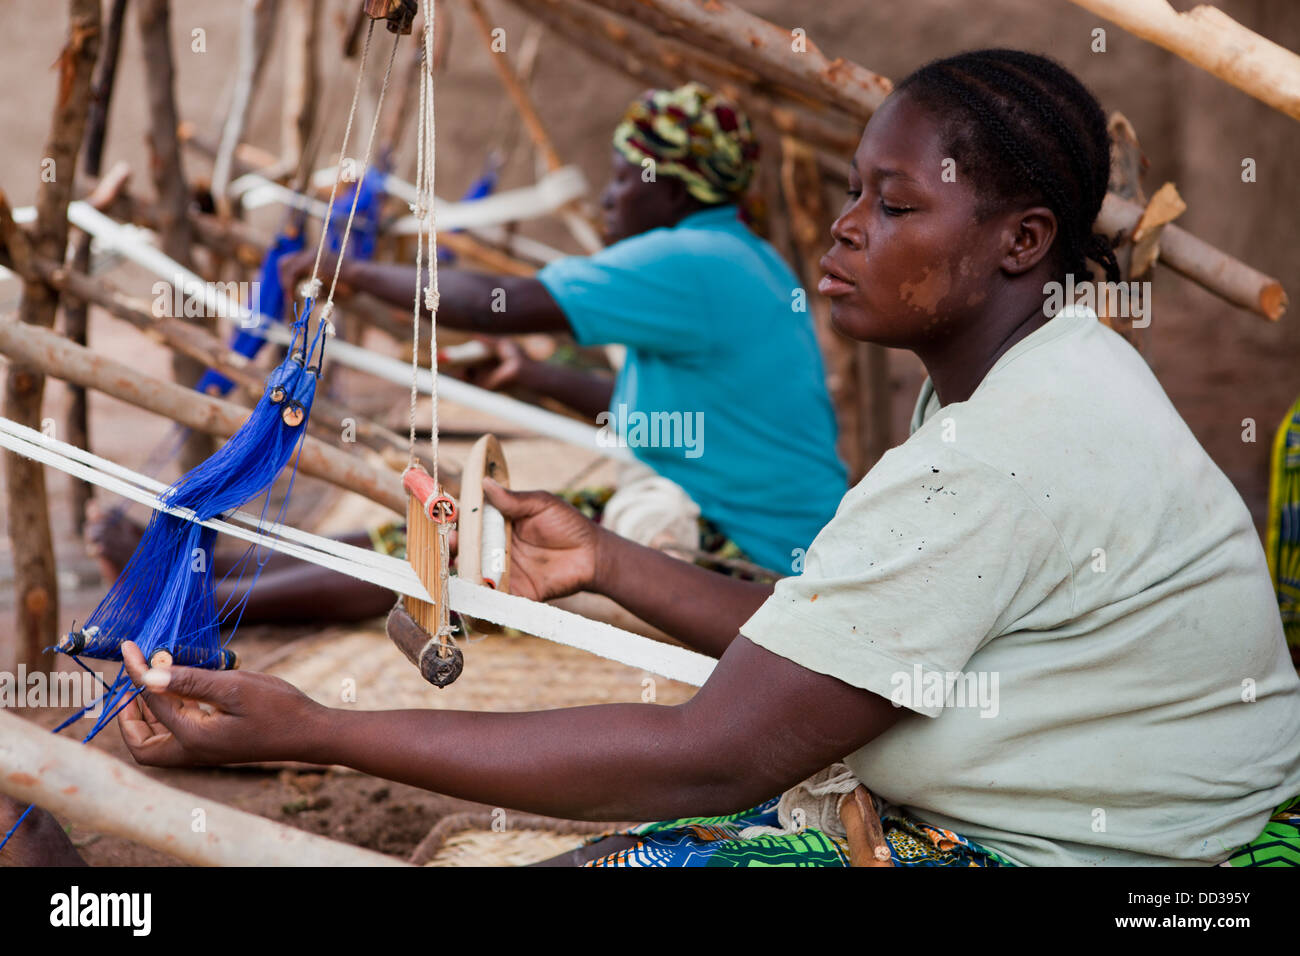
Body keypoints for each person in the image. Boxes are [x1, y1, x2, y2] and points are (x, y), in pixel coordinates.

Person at [24, 49, 1300, 868]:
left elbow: (716, 749)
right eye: (855, 193)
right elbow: (827, 642)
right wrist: (610, 559)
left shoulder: (1005, 447)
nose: (845, 231)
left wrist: (322, 731)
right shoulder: (1038, 382)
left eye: (893, 206)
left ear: (1022, 241)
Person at [282, 80, 847, 576]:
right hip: (779, 533)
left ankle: (221, 595)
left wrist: (350, 269)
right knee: (459, 535)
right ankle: (227, 567)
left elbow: (496, 306)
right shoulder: (748, 259)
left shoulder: (689, 259)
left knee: (462, 551)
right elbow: (659, 415)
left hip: (751, 556)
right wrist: (532, 374)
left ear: (673, 190)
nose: (607, 198)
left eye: (623, 179)